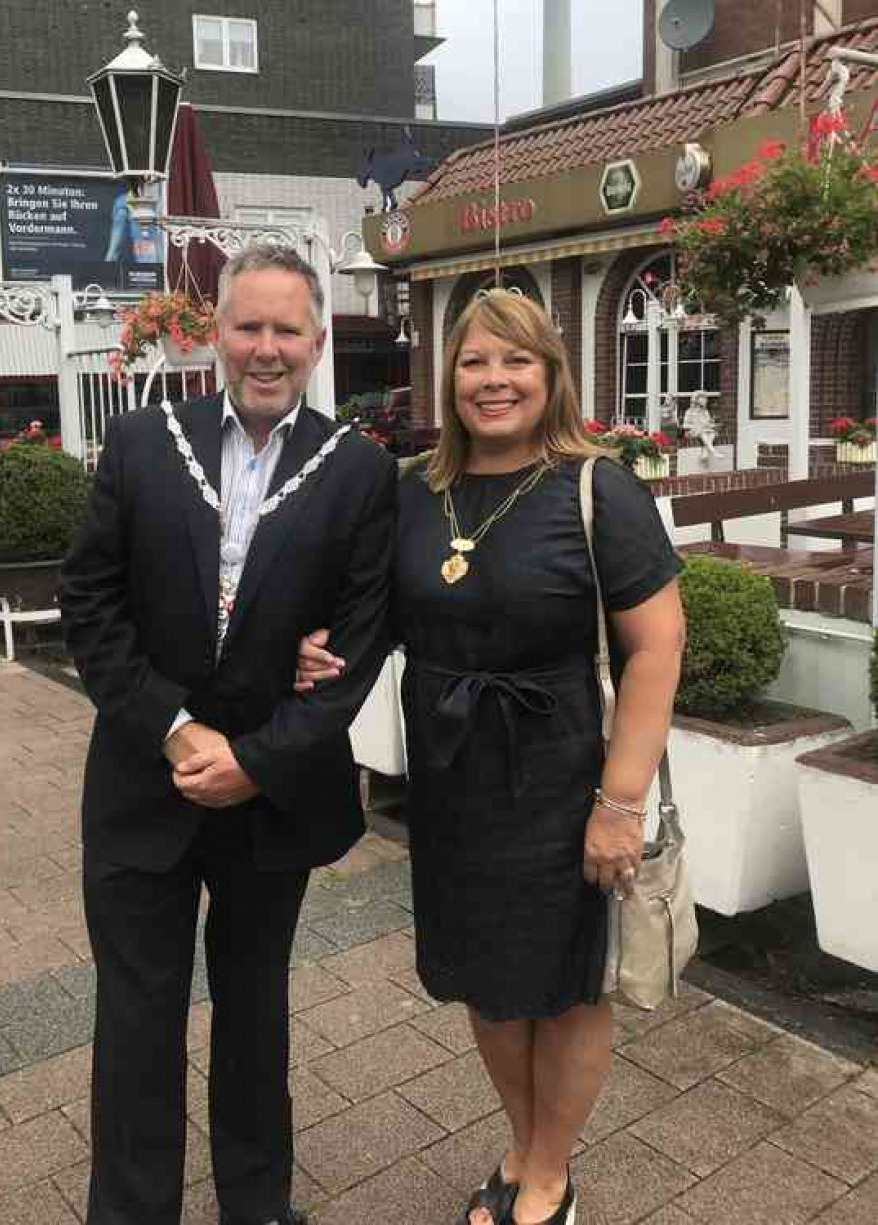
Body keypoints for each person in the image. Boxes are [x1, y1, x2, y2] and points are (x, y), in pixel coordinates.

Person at [297, 290, 685, 1225]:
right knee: (485, 977)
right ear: (450, 376)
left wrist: (620, 803)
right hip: (454, 783)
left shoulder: (597, 488)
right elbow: (380, 615)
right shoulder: (413, 491)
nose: (493, 380)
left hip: (563, 782)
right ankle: (521, 1137)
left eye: (515, 361)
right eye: (475, 362)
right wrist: (319, 650)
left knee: (564, 986)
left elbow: (658, 645)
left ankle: (549, 1170)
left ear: (551, 374)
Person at [60, 242, 397, 1225]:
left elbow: (362, 640)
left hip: (270, 799)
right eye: (247, 325)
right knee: (135, 1017)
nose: (265, 348)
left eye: (285, 329)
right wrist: (172, 732)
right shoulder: (138, 443)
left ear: (317, 338)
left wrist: (255, 759)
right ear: (213, 332)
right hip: (139, 783)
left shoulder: (358, 471)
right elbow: (90, 602)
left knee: (255, 1013)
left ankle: (257, 1205)